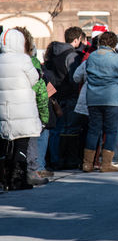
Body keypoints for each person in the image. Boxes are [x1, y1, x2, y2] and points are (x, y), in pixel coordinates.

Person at [82, 32, 118, 173]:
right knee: (111, 131)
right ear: (114, 44)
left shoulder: (91, 57)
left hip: (93, 99)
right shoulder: (116, 59)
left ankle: (87, 163)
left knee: (93, 130)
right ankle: (106, 164)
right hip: (112, 99)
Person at [0, 29, 43, 190]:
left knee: (6, 146)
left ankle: (6, 178)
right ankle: (18, 179)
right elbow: (34, 79)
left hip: (3, 109)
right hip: (23, 109)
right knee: (21, 145)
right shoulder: (23, 60)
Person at [44, 26, 85, 170]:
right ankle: (68, 159)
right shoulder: (72, 55)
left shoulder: (52, 53)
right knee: (70, 129)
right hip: (69, 96)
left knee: (56, 130)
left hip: (55, 96)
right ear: (76, 39)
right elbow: (75, 78)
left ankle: (55, 159)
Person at [14, 27, 50, 186]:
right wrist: (45, 115)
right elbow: (41, 88)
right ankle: (33, 171)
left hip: (6, 108)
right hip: (28, 108)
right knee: (31, 144)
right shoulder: (31, 62)